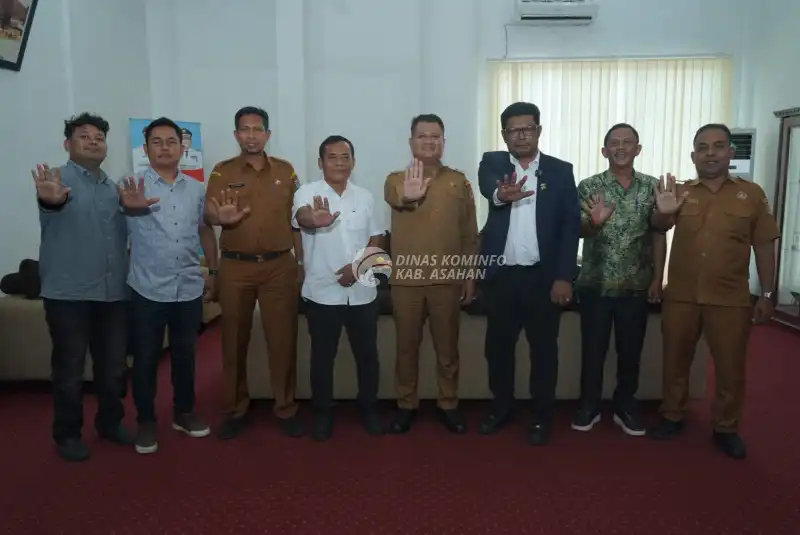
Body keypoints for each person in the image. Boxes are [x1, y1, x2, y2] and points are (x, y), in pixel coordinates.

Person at [649, 123, 780, 459]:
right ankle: (672, 415)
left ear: (730, 153)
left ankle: (726, 427)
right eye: (703, 147)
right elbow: (659, 229)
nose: (710, 153)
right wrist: (664, 212)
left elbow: (764, 244)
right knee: (675, 361)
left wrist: (767, 294)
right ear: (693, 155)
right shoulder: (679, 191)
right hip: (681, 295)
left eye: (718, 146)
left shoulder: (752, 194)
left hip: (730, 298)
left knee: (730, 367)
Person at [476, 101, 581, 446]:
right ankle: (501, 408)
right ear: (504, 134)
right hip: (501, 278)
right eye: (514, 130)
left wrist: (564, 276)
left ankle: (541, 416)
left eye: (528, 129)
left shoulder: (560, 171)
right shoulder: (493, 163)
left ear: (539, 131)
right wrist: (500, 194)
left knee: (543, 351)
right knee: (498, 349)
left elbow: (569, 228)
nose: (521, 135)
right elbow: (488, 186)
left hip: (543, 278)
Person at [32, 113, 133, 461]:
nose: (93, 142)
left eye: (99, 138)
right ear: (68, 144)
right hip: (68, 294)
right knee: (70, 369)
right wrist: (51, 200)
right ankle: (67, 434)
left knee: (114, 367)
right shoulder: (55, 181)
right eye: (84, 136)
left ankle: (110, 422)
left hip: (113, 292)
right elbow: (51, 203)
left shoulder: (113, 188)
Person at [204, 106, 305, 439]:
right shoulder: (221, 171)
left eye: (257, 129)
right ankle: (235, 409)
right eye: (244, 129)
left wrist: (301, 263)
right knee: (233, 339)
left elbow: (297, 221)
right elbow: (208, 214)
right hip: (236, 266)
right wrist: (220, 218)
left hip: (279, 266)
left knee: (283, 340)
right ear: (236, 135)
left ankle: (286, 407)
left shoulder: (286, 171)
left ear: (267, 135)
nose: (251, 135)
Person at [121, 117, 219, 454]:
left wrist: (214, 270)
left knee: (185, 356)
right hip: (147, 288)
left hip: (187, 286)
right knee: (146, 359)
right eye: (157, 142)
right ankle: (146, 420)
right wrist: (127, 206)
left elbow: (204, 229)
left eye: (171, 141)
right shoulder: (130, 185)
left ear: (182, 147)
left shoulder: (196, 188)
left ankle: (184, 412)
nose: (165, 148)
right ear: (145, 148)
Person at [572, 123, 671, 436]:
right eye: (614, 143)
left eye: (628, 142)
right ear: (604, 151)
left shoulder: (652, 187)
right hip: (595, 284)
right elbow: (577, 230)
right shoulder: (589, 186)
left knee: (630, 352)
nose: (621, 147)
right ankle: (589, 405)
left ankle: (625, 405)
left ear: (638, 149)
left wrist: (657, 278)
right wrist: (594, 223)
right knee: (592, 351)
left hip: (636, 286)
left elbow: (658, 233)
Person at [384, 114, 479, 434]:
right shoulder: (395, 179)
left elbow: (469, 234)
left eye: (435, 136)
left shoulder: (459, 181)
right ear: (411, 142)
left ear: (443, 141)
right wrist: (409, 195)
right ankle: (405, 404)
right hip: (406, 282)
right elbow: (396, 197)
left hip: (446, 281)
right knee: (406, 348)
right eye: (422, 136)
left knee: (447, 349)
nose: (429, 141)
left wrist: (469, 275)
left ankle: (448, 403)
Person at [292, 135, 386, 441]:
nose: (339, 163)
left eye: (345, 157)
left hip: (362, 292)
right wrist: (314, 220)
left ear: (353, 162)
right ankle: (323, 413)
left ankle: (369, 409)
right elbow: (302, 219)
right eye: (332, 157)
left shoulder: (365, 197)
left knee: (367, 356)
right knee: (322, 358)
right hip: (322, 293)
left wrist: (357, 268)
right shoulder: (306, 193)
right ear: (320, 163)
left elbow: (377, 237)